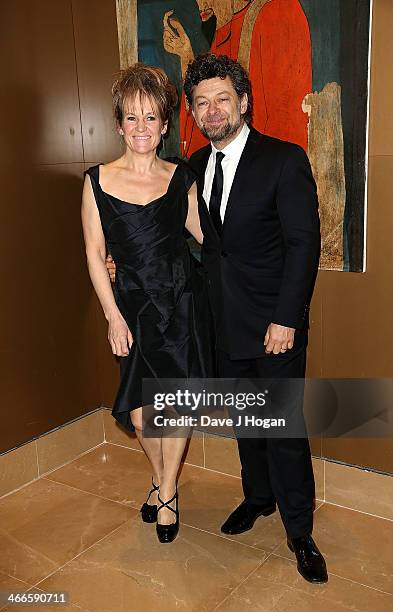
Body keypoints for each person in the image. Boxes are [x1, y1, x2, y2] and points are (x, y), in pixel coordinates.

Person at [106, 54, 328, 583]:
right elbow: (176, 238)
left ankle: (301, 532)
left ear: (243, 102)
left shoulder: (283, 159)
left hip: (275, 325)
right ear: (192, 113)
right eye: (201, 103)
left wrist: (287, 319)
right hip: (219, 321)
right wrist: (123, 260)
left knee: (283, 429)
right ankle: (258, 500)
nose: (211, 111)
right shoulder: (193, 170)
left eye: (222, 99)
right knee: (247, 426)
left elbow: (303, 246)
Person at [81, 63, 213, 544]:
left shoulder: (182, 178)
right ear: (119, 124)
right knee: (141, 413)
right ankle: (162, 482)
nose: (142, 128)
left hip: (180, 304)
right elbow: (95, 254)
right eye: (132, 118)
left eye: (151, 118)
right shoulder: (97, 181)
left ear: (164, 124)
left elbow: (205, 238)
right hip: (131, 311)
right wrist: (112, 316)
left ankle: (167, 491)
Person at [163, 0, 311, 157]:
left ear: (244, 102)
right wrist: (186, 55)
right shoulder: (226, 29)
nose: (202, 5)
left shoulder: (278, 11)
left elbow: (284, 123)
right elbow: (202, 144)